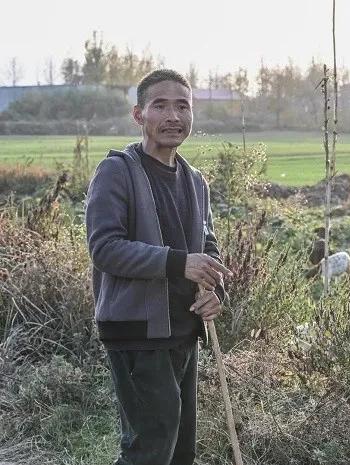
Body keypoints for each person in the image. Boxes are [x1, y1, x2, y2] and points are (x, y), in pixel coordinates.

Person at [85, 69, 232, 465]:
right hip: (136, 331)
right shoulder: (116, 171)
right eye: (160, 105)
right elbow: (105, 248)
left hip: (183, 329)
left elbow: (208, 248)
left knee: (180, 450)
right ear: (139, 115)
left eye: (182, 106)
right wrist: (179, 263)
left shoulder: (196, 181)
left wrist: (215, 293)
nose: (173, 116)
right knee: (150, 447)